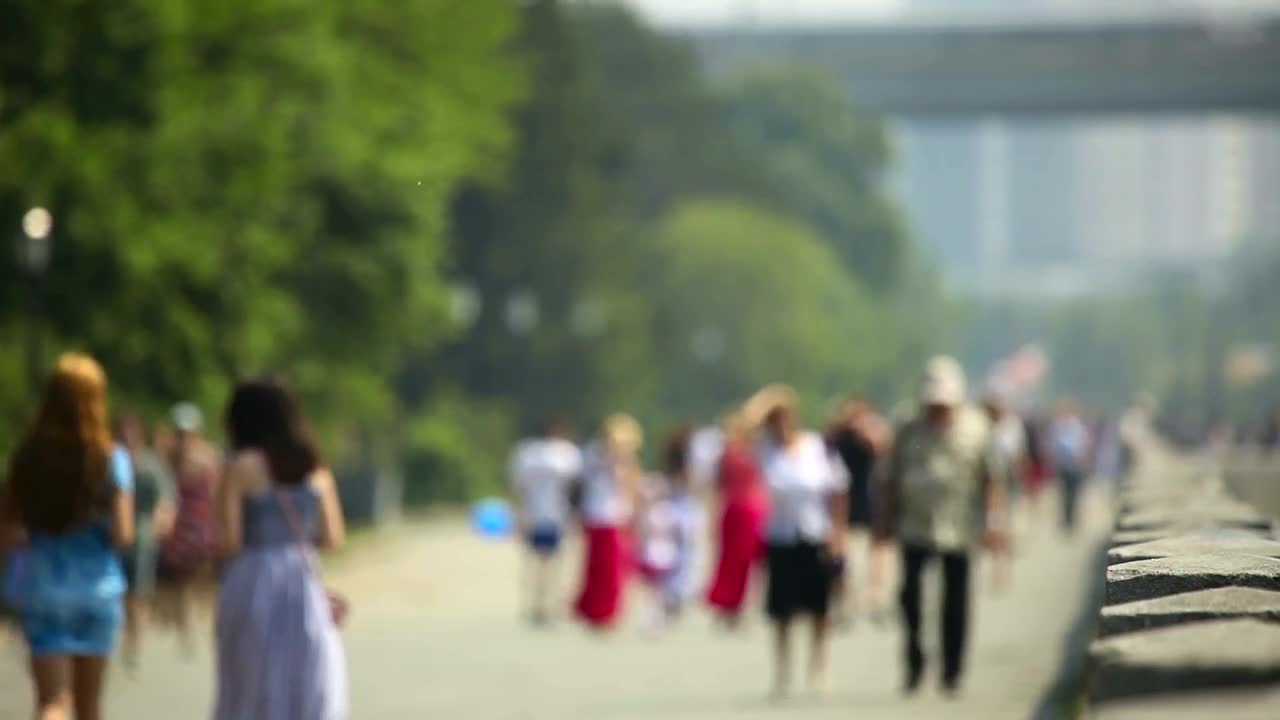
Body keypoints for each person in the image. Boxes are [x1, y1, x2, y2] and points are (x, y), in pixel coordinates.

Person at [0, 353, 135, 720]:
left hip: (44, 589)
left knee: (53, 703)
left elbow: (7, 533)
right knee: (89, 708)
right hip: (99, 591)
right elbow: (122, 535)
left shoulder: (27, 457)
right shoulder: (111, 459)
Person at [214, 377, 348, 720]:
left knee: (249, 685)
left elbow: (229, 541)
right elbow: (333, 537)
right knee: (304, 679)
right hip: (302, 581)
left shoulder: (240, 467)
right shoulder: (315, 468)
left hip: (252, 578)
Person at [876, 356, 1006, 695]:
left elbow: (990, 479)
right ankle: (915, 663)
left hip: (959, 525)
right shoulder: (907, 426)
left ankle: (952, 670)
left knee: (956, 601)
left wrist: (993, 522)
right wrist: (884, 521)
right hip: (915, 523)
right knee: (911, 599)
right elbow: (890, 477)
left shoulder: (976, 427)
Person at [750, 386, 848, 698]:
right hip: (780, 537)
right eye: (773, 422)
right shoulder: (765, 452)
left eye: (784, 420)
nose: (779, 427)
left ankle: (818, 666)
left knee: (818, 608)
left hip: (814, 534)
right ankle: (782, 672)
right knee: (781, 611)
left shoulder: (816, 447)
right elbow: (741, 425)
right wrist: (768, 401)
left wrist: (837, 534)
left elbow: (837, 492)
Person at [114, 412, 177, 669]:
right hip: (113, 538)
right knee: (118, 593)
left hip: (142, 535)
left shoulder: (151, 464)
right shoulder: (111, 459)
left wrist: (162, 520)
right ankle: (119, 640)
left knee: (138, 593)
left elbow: (166, 497)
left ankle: (134, 644)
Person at [157, 401, 221, 655]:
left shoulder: (208, 454)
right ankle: (186, 627)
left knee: (207, 571)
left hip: (204, 516)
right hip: (181, 518)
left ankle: (207, 620)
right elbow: (167, 489)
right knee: (181, 573)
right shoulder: (171, 457)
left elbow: (217, 488)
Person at [508, 420, 583, 625]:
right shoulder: (559, 456)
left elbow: (519, 488)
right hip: (546, 515)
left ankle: (541, 605)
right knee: (543, 563)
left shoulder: (530, 454)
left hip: (547, 514)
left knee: (543, 563)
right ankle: (540, 605)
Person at [573, 414, 643, 629]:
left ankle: (597, 610)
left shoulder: (591, 453)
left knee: (600, 567)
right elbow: (630, 487)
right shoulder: (607, 457)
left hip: (599, 515)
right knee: (609, 569)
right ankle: (603, 611)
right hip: (610, 516)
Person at [826, 398, 892, 625]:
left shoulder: (871, 436)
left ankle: (877, 597)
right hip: (846, 499)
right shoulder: (839, 438)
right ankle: (846, 600)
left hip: (871, 497)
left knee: (879, 551)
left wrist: (869, 431)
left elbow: (882, 448)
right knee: (845, 554)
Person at [705, 410, 768, 627]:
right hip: (735, 510)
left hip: (751, 510)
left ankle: (742, 604)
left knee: (747, 561)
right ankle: (729, 603)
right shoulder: (727, 455)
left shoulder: (755, 451)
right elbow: (717, 487)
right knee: (731, 560)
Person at [634, 430, 700, 635]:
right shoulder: (686, 473)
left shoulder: (668, 473)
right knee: (679, 563)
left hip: (670, 520)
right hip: (680, 520)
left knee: (668, 567)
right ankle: (673, 600)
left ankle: (669, 601)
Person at [982, 386, 1027, 591]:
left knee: (1002, 527)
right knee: (986, 528)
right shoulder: (981, 426)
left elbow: (1018, 455)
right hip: (984, 484)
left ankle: (1001, 573)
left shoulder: (1012, 426)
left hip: (1005, 483)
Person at [1049, 400, 1090, 535]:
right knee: (1065, 495)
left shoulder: (1077, 427)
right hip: (1065, 466)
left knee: (1074, 494)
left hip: (1075, 466)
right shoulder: (1060, 427)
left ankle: (1072, 520)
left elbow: (1083, 447)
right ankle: (1066, 520)